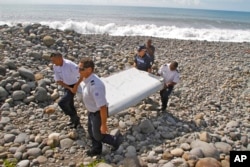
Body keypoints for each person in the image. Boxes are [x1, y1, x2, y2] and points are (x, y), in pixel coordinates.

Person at [73, 57, 122, 156]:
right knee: (91, 132)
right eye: (78, 68)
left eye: (81, 69)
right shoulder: (86, 77)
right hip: (91, 111)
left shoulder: (95, 86)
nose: (78, 71)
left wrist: (104, 124)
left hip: (98, 113)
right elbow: (82, 78)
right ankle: (96, 149)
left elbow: (103, 107)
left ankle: (115, 140)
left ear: (89, 70)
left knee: (99, 135)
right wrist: (76, 85)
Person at [50, 52, 80, 129]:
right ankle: (75, 119)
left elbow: (81, 74)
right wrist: (69, 88)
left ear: (60, 59)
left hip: (75, 84)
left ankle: (74, 118)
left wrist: (76, 86)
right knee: (70, 103)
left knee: (62, 103)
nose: (52, 62)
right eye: (52, 60)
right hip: (67, 86)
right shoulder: (55, 66)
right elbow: (58, 80)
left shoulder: (70, 64)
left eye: (54, 60)